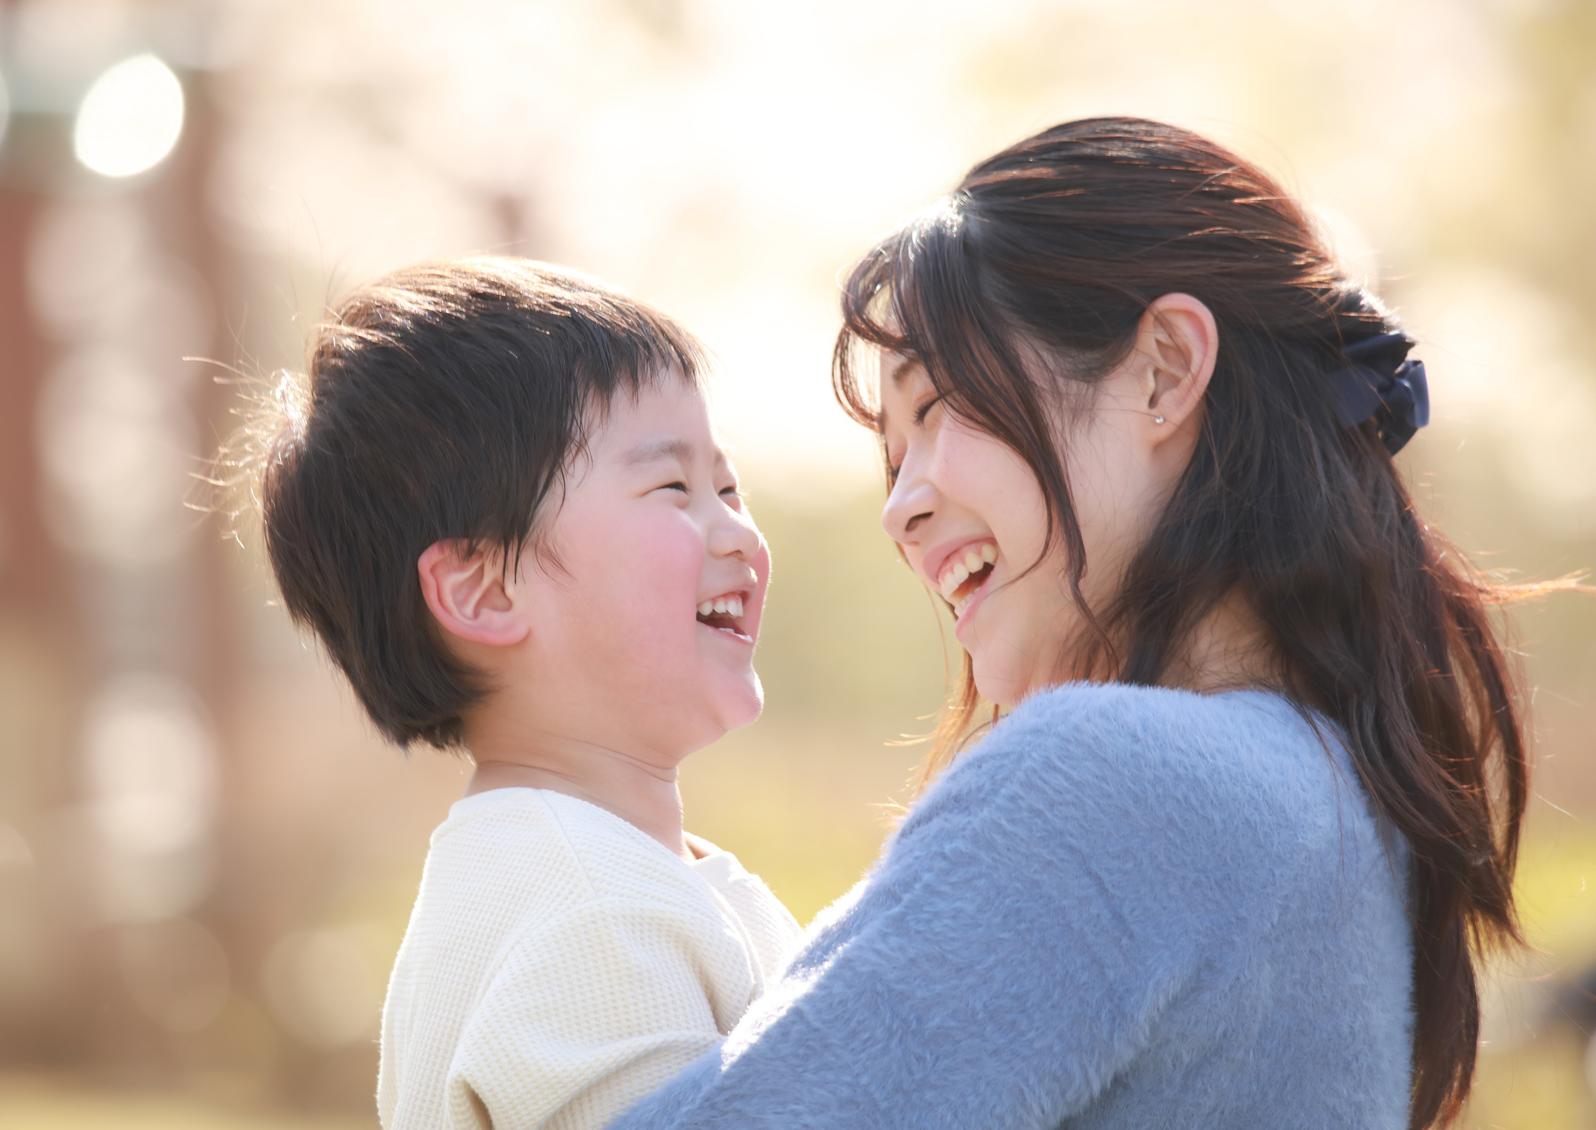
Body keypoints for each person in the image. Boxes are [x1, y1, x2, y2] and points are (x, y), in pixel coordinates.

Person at [611, 117, 1550, 1129]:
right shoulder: (1335, 789)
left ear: (1164, 368)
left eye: (940, 407)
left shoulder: (1117, 780)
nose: (902, 506)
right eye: (893, 454)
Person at [254, 258, 803, 1130]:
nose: (737, 530)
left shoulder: (587, 872)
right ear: (484, 592)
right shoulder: (594, 913)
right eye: (673, 487)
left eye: (729, 487)